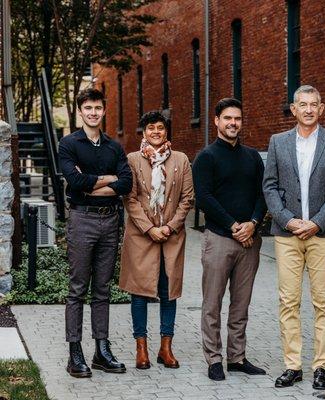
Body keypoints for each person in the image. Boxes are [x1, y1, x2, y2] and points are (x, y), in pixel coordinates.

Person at [263, 85, 325, 390]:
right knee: (289, 301)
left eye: (314, 104)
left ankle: (321, 366)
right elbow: (269, 187)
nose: (309, 109)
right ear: (294, 109)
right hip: (287, 235)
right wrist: (287, 220)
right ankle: (292, 365)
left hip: (322, 235)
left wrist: (317, 222)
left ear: (321, 109)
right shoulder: (278, 142)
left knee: (324, 301)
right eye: (303, 104)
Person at [58, 88, 132, 377]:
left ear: (104, 110)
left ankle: (101, 349)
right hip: (82, 220)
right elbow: (75, 181)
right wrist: (106, 180)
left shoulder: (114, 147)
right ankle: (74, 353)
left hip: (110, 221)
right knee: (77, 289)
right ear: (80, 111)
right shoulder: (69, 144)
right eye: (87, 107)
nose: (93, 112)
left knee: (102, 290)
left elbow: (126, 183)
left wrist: (93, 184)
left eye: (97, 108)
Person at [193, 98, 267, 381]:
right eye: (227, 118)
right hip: (219, 239)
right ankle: (214, 359)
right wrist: (234, 225)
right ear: (216, 121)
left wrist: (253, 224)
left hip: (250, 241)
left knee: (241, 304)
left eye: (237, 118)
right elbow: (204, 198)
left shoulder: (251, 157)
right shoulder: (207, 157)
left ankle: (237, 358)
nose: (233, 123)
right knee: (212, 302)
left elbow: (263, 194)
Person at [118, 111, 194, 370]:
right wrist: (150, 228)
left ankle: (165, 347)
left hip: (171, 238)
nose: (156, 132)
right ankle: (141, 349)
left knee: (168, 292)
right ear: (144, 132)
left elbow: (187, 199)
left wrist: (170, 227)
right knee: (139, 293)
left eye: (161, 128)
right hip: (142, 237)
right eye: (151, 128)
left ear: (166, 131)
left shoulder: (181, 160)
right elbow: (130, 198)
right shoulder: (132, 160)